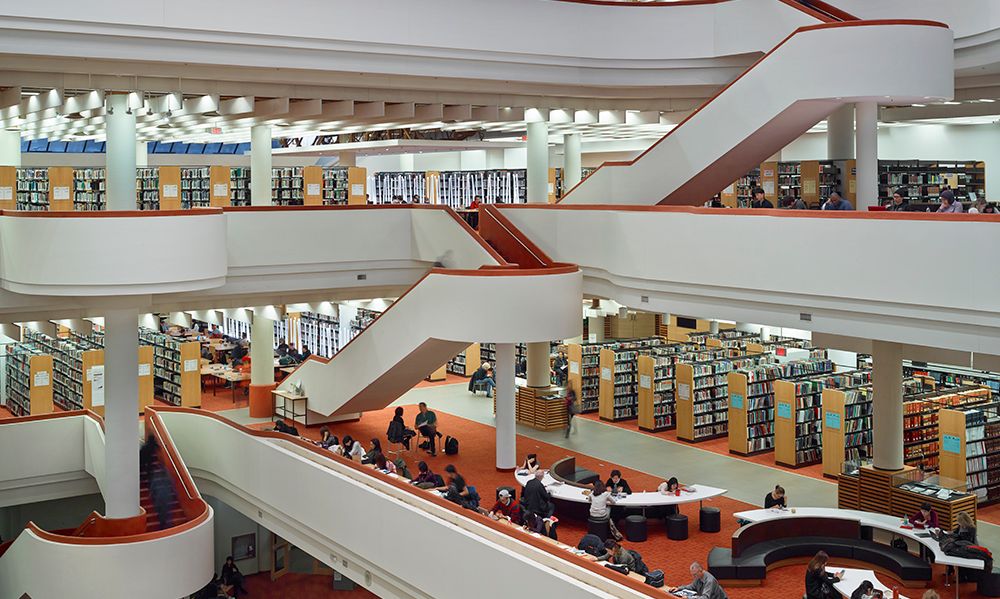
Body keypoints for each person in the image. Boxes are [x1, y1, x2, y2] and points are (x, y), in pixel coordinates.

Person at [149, 464, 176, 531]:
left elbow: (153, 488)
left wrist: (151, 496)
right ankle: (168, 527)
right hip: (167, 497)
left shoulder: (156, 478)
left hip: (159, 498)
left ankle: (163, 526)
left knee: (161, 513)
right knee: (167, 513)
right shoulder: (167, 477)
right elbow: (172, 486)